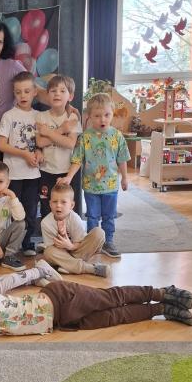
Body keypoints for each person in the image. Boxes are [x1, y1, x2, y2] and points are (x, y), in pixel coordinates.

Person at [0, 260, 192, 341]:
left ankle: (161, 293)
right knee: (114, 317)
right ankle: (163, 309)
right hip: (61, 321)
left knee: (112, 298)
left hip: (62, 299)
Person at [58, 93, 130, 258]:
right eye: (97, 116)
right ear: (89, 116)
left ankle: (108, 241)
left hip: (111, 186)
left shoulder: (117, 136)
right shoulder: (85, 138)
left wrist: (125, 178)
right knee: (92, 216)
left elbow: (122, 159)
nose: (102, 119)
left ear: (112, 114)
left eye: (107, 115)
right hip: (91, 186)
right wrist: (69, 177)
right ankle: (93, 242)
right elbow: (77, 160)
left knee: (109, 216)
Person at [0, 71, 43, 257]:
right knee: (11, 210)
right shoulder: (9, 116)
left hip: (32, 174)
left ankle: (27, 242)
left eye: (27, 91)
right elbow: (1, 145)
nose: (22, 95)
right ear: (13, 93)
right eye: (18, 92)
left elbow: (42, 142)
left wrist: (39, 151)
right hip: (13, 174)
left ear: (35, 92)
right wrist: (24, 153)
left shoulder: (40, 116)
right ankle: (10, 243)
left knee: (30, 211)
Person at [35, 74, 82, 218]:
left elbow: (70, 143)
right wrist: (62, 130)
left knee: (68, 209)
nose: (57, 94)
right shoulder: (41, 116)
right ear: (47, 95)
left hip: (66, 172)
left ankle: (66, 232)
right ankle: (48, 232)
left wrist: (49, 133)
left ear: (70, 96)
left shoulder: (72, 117)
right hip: (46, 171)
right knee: (47, 208)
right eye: (53, 91)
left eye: (62, 91)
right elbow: (40, 142)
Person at [41, 184, 107, 277]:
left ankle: (68, 265)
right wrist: (62, 235)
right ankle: (89, 268)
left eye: (63, 202)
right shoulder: (45, 223)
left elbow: (79, 243)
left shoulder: (75, 218)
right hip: (61, 254)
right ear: (50, 204)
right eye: (55, 202)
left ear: (71, 205)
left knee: (99, 233)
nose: (58, 205)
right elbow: (51, 248)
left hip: (77, 251)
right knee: (48, 252)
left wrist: (70, 246)